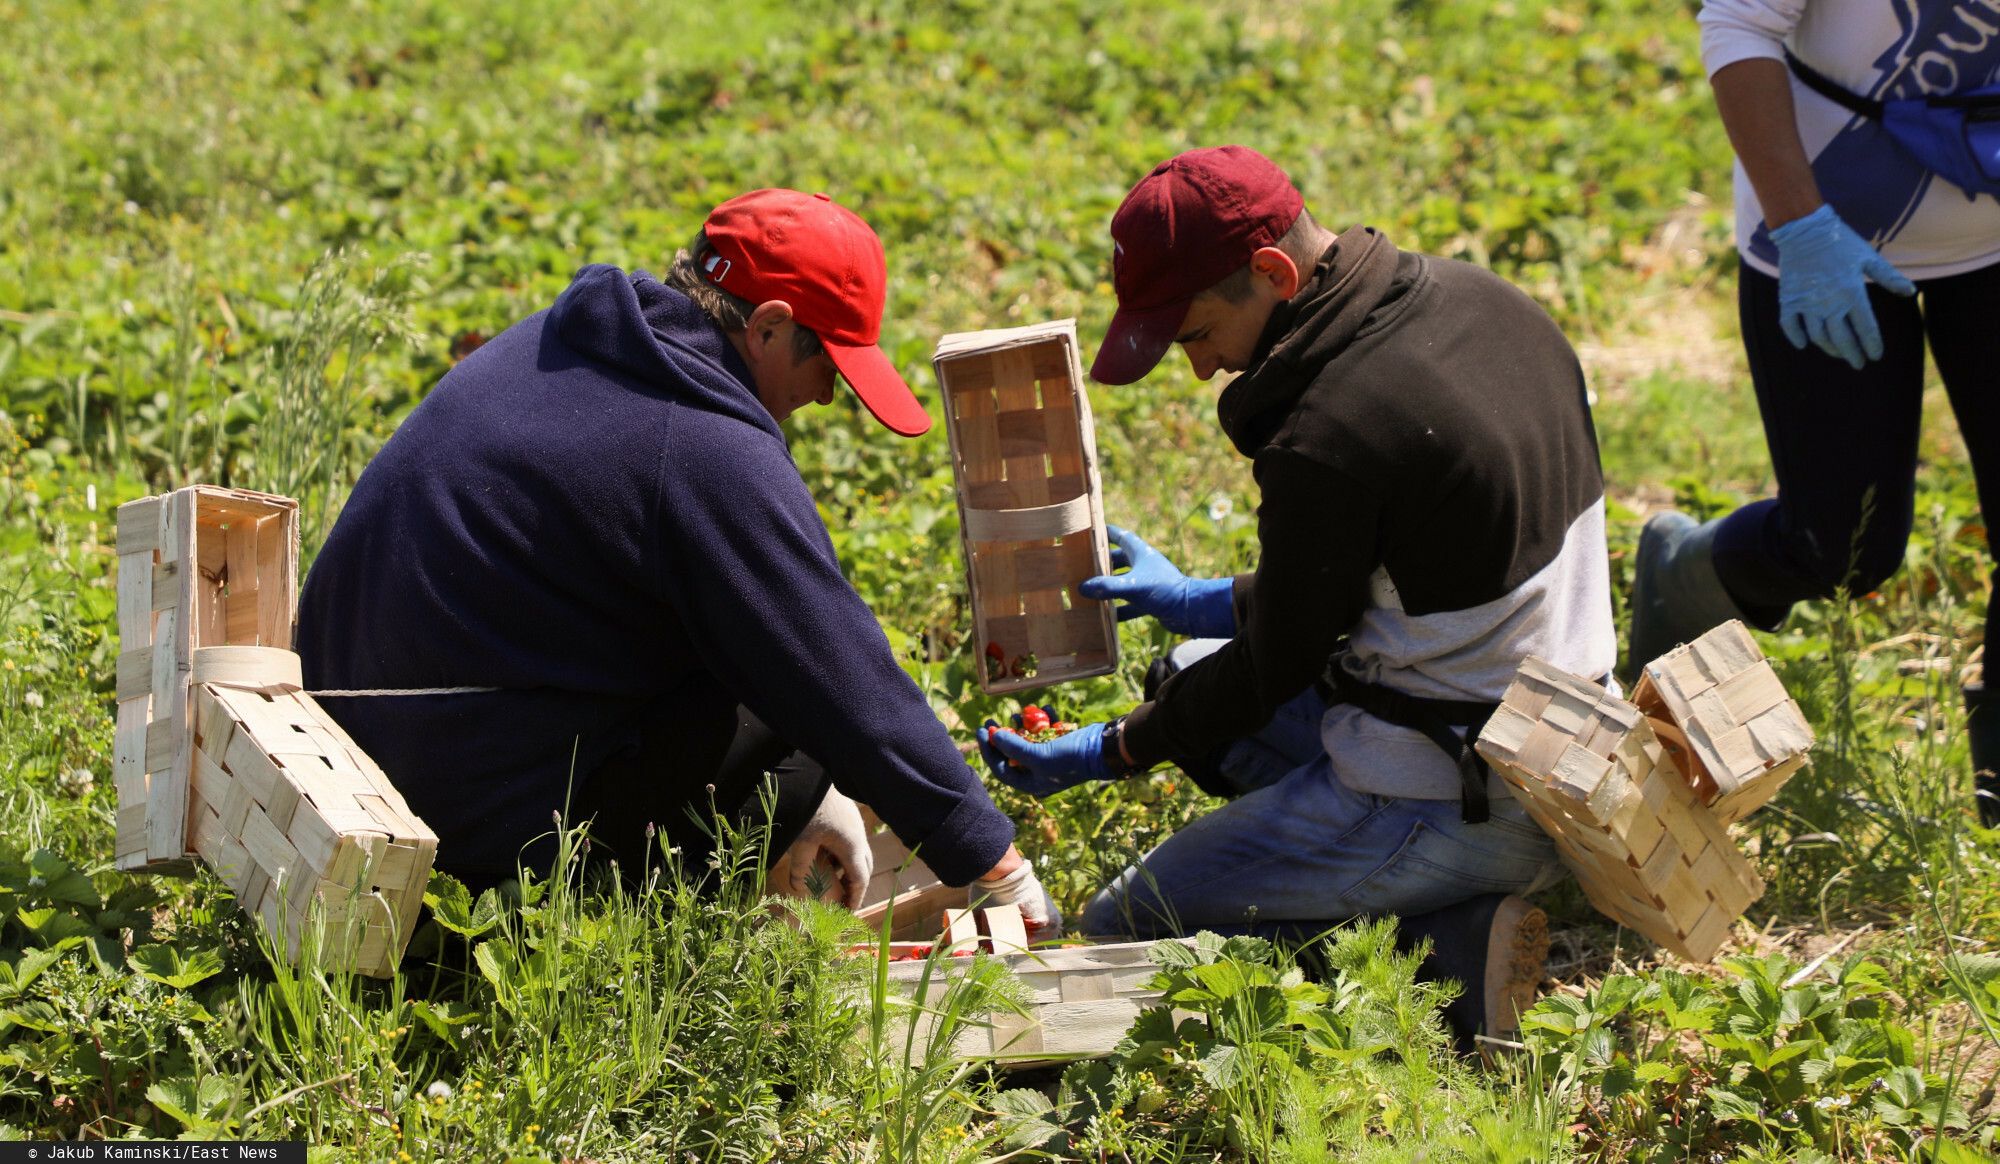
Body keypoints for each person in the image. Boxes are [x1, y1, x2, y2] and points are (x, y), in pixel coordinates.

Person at [978, 146, 1613, 1044]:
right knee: (1185, 677)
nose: (1201, 370)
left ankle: (1449, 953)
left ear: (1273, 274)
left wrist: (1117, 749)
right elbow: (1387, 572)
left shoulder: (1334, 428)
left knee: (1128, 922)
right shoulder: (1482, 303)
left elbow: (1279, 663)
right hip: (1562, 738)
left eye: (1197, 337)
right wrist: (1195, 601)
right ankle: (1415, 897)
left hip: (1464, 794)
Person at [295, 188, 1056, 932]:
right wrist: (993, 864)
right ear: (768, 327)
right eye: (828, 361)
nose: (828, 395)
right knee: (789, 747)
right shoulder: (702, 446)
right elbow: (842, 677)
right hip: (446, 847)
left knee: (740, 662)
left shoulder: (560, 345)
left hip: (348, 764)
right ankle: (579, 928)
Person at [1632, 3, 2000, 826]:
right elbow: (1738, 26)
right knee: (1846, 549)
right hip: (1829, 233)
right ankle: (1686, 568)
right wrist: (1800, 223)